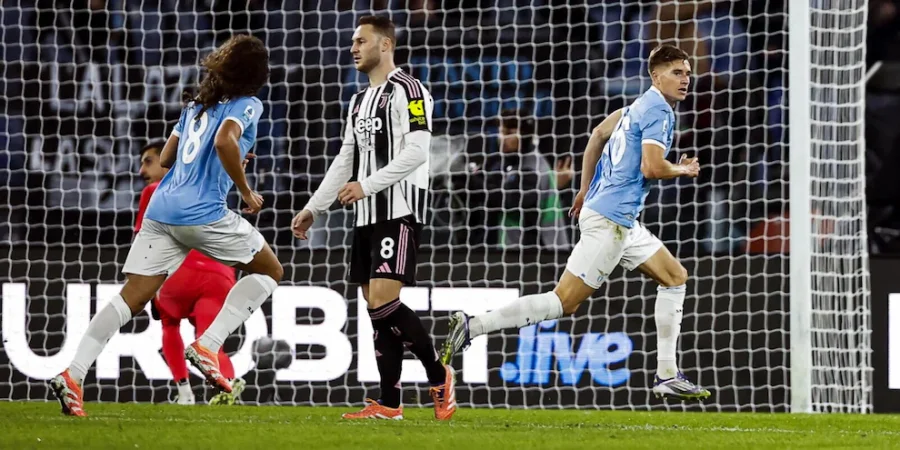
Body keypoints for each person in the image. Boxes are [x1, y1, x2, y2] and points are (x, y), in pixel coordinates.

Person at [440, 44, 711, 402]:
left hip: (620, 219)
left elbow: (597, 135)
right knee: (564, 302)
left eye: (688, 73)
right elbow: (652, 167)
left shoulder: (633, 107)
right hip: (612, 221)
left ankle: (666, 374)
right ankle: (474, 325)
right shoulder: (660, 110)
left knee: (675, 277)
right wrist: (684, 168)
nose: (686, 79)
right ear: (655, 75)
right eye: (677, 72)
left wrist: (583, 191)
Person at [50, 35, 283, 417]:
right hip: (202, 213)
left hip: (161, 210)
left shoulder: (194, 105)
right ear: (256, 75)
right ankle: (208, 344)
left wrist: (228, 157)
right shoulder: (249, 104)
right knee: (271, 270)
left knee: (133, 297)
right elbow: (226, 141)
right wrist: (245, 189)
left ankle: (73, 374)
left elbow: (170, 155)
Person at [291, 15, 456, 421]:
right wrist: (315, 206)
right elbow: (345, 159)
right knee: (374, 305)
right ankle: (390, 403)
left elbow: (418, 152)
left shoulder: (411, 90)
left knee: (383, 301)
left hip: (398, 209)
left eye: (361, 41)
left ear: (385, 45)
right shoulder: (358, 100)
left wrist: (367, 185)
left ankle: (439, 374)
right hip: (365, 216)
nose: (353, 48)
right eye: (352, 42)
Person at [136, 141, 246, 406]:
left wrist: (144, 282)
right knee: (208, 342)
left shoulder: (153, 192)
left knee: (169, 325)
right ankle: (228, 383)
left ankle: (184, 393)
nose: (141, 170)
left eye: (148, 161)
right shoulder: (208, 188)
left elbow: (144, 241)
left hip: (177, 274)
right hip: (219, 273)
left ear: (168, 162)